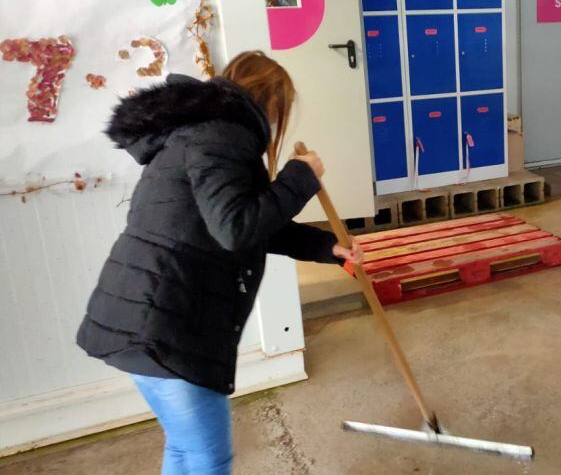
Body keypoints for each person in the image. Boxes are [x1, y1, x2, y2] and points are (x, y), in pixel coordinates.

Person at [76, 51, 362, 475]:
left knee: (185, 449)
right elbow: (236, 227)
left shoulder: (203, 133)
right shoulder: (221, 137)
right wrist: (300, 176)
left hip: (142, 318)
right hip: (165, 327)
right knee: (209, 458)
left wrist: (324, 247)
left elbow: (247, 219)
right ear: (271, 103)